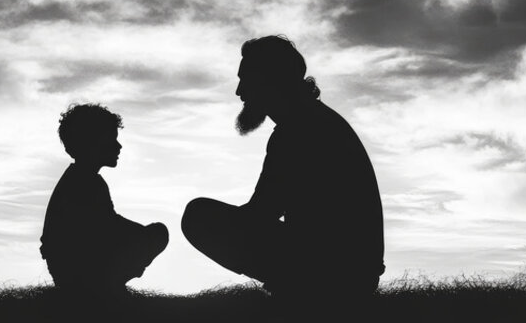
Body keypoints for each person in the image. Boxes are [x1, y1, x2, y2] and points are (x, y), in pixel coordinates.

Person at [181, 35, 385, 303]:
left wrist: (230, 228)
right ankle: (294, 285)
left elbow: (261, 214)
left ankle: (297, 288)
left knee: (198, 215)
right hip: (354, 273)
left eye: (246, 80)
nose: (239, 91)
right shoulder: (313, 120)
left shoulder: (299, 130)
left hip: (338, 275)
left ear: (270, 80)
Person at [40, 103, 168, 297]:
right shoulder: (83, 182)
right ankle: (105, 285)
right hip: (77, 270)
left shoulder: (83, 179)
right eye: (111, 140)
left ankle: (108, 283)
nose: (119, 146)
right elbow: (105, 226)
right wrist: (143, 235)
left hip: (70, 269)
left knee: (153, 234)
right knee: (158, 233)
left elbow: (107, 223)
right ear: (91, 143)